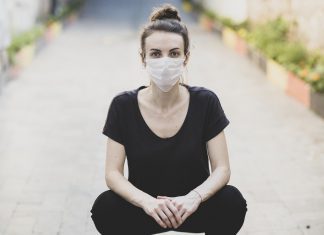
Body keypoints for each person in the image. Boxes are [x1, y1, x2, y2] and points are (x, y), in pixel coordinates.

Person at [90, 3, 247, 235]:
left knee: (232, 201)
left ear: (186, 57)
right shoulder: (123, 105)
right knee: (105, 207)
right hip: (146, 210)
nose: (165, 61)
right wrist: (147, 202)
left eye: (174, 53)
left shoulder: (205, 102)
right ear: (143, 58)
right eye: (155, 54)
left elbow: (222, 169)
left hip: (193, 208)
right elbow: (112, 174)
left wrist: (194, 198)